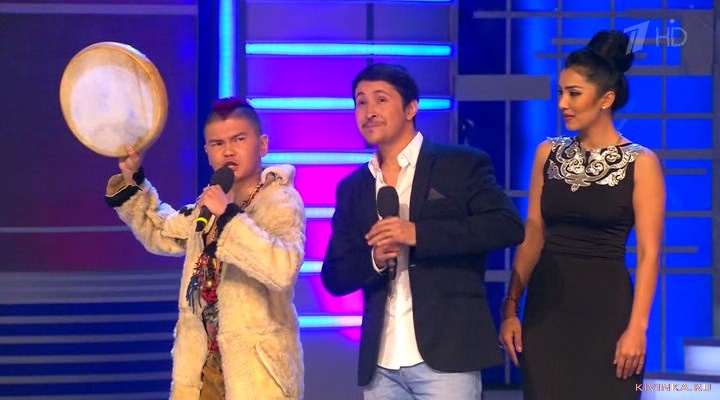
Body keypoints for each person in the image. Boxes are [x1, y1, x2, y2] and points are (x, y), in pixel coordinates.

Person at [321, 63, 525, 399]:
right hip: (381, 365)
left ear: (411, 108)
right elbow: (334, 275)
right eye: (361, 102)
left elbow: (505, 226)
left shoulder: (459, 164)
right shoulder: (353, 187)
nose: (369, 112)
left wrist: (417, 234)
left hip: (448, 357)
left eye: (381, 99)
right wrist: (374, 260)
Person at [498, 30, 665, 400]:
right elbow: (533, 232)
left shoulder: (642, 163)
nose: (562, 103)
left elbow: (649, 253)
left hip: (608, 315)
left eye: (574, 93)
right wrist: (510, 307)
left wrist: (637, 328)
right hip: (546, 312)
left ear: (606, 98)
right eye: (560, 92)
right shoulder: (547, 153)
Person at [104, 97, 306, 400]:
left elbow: (282, 268)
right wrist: (134, 180)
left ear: (262, 144)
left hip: (257, 374)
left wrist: (228, 219)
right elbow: (163, 231)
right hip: (205, 371)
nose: (228, 151)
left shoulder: (280, 201)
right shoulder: (209, 203)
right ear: (207, 153)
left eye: (239, 139)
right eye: (217, 143)